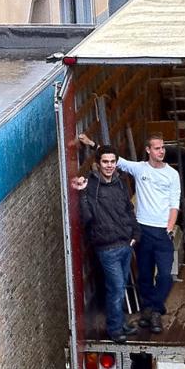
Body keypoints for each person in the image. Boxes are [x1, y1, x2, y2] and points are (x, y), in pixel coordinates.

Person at [79, 132, 180, 334]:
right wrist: (91, 143)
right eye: (157, 148)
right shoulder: (138, 168)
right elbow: (113, 160)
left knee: (165, 276)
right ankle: (150, 313)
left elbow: (174, 203)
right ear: (148, 150)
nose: (162, 151)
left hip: (162, 231)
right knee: (143, 274)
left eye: (163, 147)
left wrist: (169, 228)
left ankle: (153, 310)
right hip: (143, 228)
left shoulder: (172, 174)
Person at [71, 144, 139, 343]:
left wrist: (136, 234)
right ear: (98, 164)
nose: (109, 166)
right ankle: (114, 329)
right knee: (116, 288)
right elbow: (86, 218)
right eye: (105, 162)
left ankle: (121, 322)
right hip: (107, 248)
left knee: (121, 286)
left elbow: (128, 210)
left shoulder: (119, 182)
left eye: (112, 162)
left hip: (125, 244)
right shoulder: (91, 186)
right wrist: (82, 193)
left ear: (116, 163)